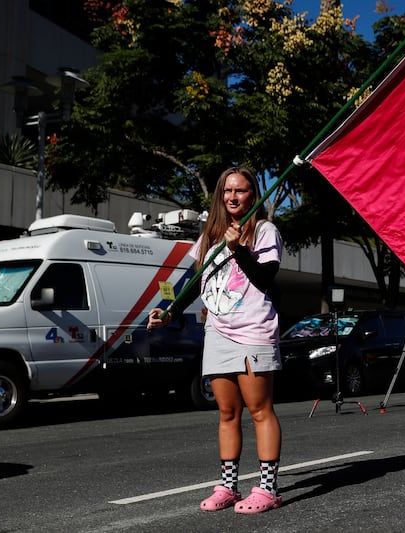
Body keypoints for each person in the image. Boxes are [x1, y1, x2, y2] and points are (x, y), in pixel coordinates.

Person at [147, 166, 283, 514]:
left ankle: (267, 488)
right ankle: (228, 486)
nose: (233, 197)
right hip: (218, 334)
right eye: (227, 191)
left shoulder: (264, 230)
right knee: (226, 412)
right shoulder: (209, 235)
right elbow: (191, 286)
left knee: (259, 410)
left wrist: (238, 249)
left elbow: (265, 278)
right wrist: (169, 312)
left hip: (253, 333)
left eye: (240, 191)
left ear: (253, 195)